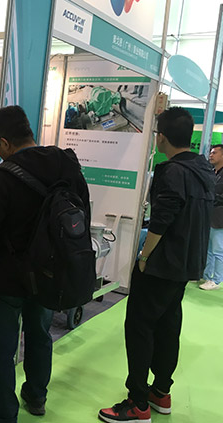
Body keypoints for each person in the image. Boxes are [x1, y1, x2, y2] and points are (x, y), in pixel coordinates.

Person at [0, 106, 90, 423]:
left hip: (6, 278)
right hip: (51, 273)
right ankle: (36, 396)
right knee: (40, 335)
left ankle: (2, 412)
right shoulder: (68, 167)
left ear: (4, 142)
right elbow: (82, 216)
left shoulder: (4, 177)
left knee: (1, 346)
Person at [99, 107, 214, 423]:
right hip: (185, 265)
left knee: (139, 328)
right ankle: (161, 391)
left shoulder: (171, 172)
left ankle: (137, 402)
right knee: (168, 325)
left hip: (161, 264)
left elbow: (162, 221)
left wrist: (144, 257)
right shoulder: (203, 169)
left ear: (161, 137)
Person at [200, 143, 223, 290]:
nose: (211, 155)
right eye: (211, 152)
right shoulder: (213, 173)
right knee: (208, 249)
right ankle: (207, 276)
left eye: (214, 153)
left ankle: (217, 280)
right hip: (209, 216)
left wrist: (210, 198)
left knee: (218, 250)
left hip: (220, 218)